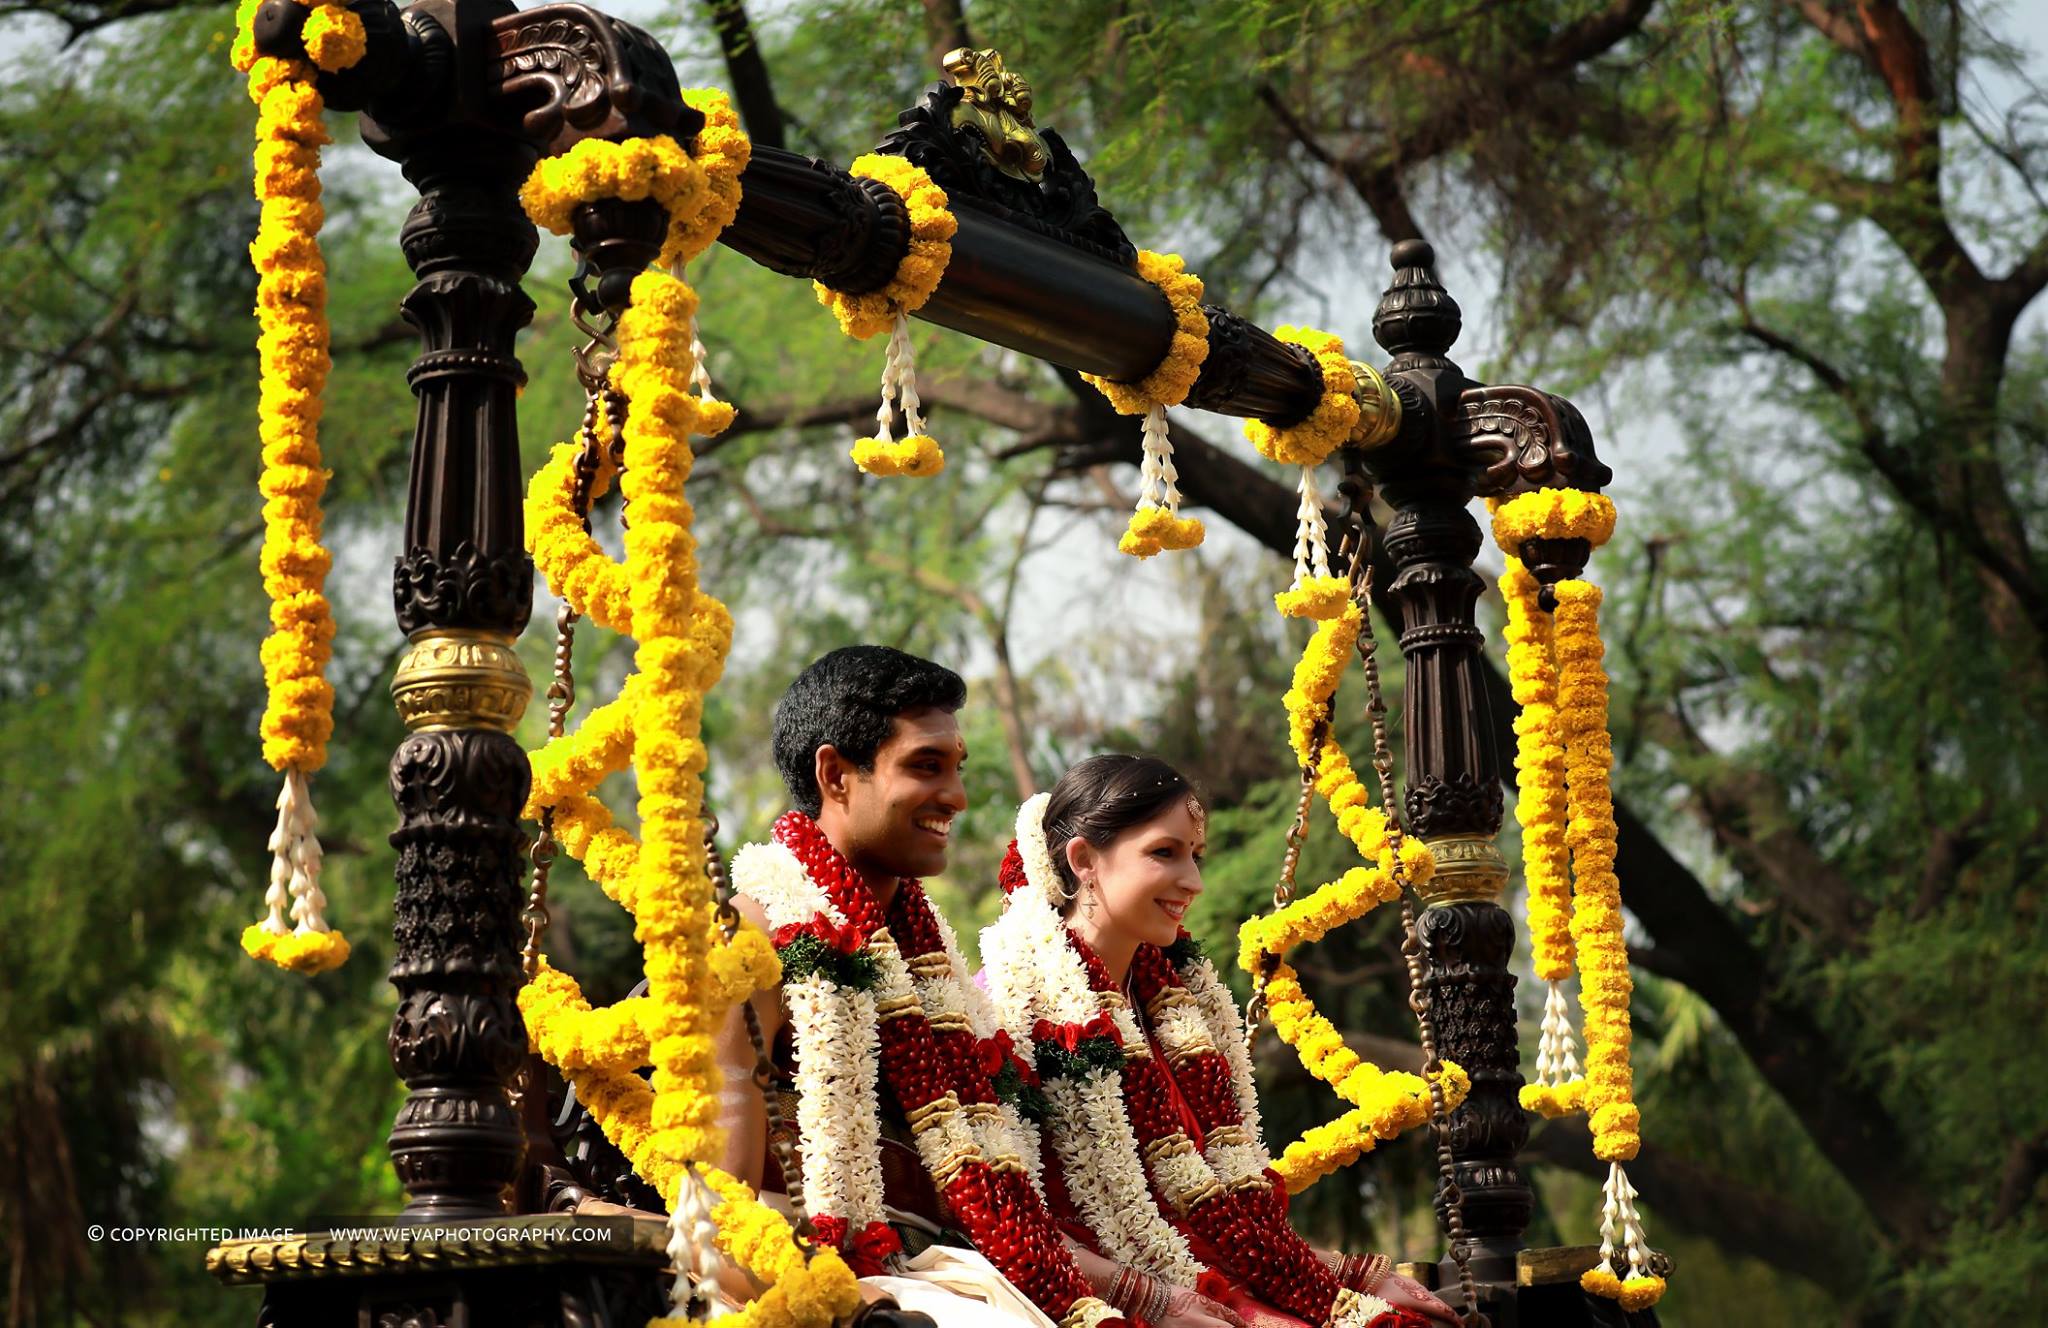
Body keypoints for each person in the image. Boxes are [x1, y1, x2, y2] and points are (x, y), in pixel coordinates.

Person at [716, 647, 1236, 1328]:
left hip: (947, 1278)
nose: (957, 796)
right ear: (835, 775)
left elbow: (1000, 1218)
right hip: (826, 1291)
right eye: (926, 766)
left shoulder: (933, 973)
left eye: (957, 767)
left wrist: (1153, 1299)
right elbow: (713, 1210)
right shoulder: (753, 936)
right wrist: (863, 1300)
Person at [979, 755, 1459, 1328]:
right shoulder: (1004, 1007)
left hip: (1212, 1286)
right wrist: (1150, 1299)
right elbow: (1001, 1223)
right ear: (1084, 860)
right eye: (1165, 852)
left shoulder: (1177, 1008)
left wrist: (1348, 1272)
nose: (1194, 882)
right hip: (1087, 1300)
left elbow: (1222, 1213)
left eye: (1195, 856)